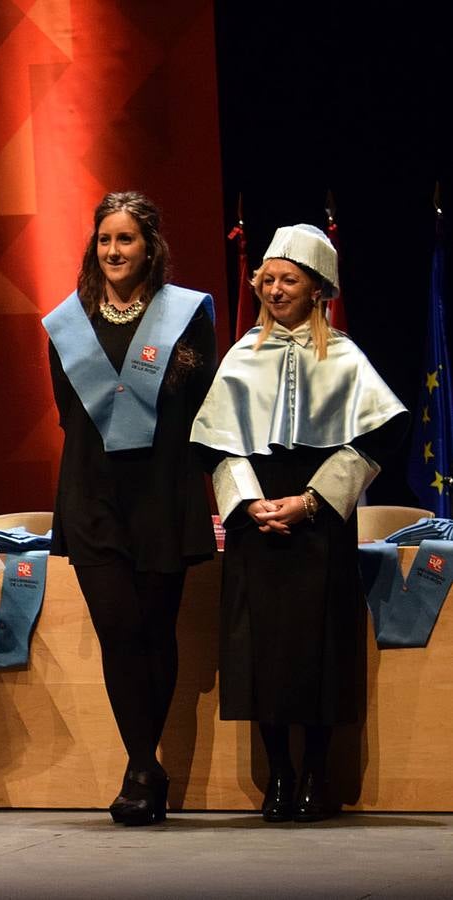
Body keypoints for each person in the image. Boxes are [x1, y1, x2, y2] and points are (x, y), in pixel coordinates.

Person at [191, 224, 406, 823]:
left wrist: (312, 501)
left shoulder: (344, 356)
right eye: (268, 279)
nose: (275, 289)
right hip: (257, 521)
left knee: (317, 648)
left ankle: (316, 774)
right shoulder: (241, 355)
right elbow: (213, 443)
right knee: (262, 648)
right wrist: (250, 504)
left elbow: (381, 435)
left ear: (318, 289)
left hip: (319, 522)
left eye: (289, 280)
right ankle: (278, 778)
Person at [41, 192, 217, 825]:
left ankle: (145, 771)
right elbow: (68, 411)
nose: (114, 251)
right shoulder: (70, 322)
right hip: (93, 493)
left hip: (163, 491)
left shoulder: (187, 314)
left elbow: (199, 401)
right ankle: (143, 764)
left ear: (150, 248)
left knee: (154, 630)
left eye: (126, 240)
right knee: (118, 630)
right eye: (105, 240)